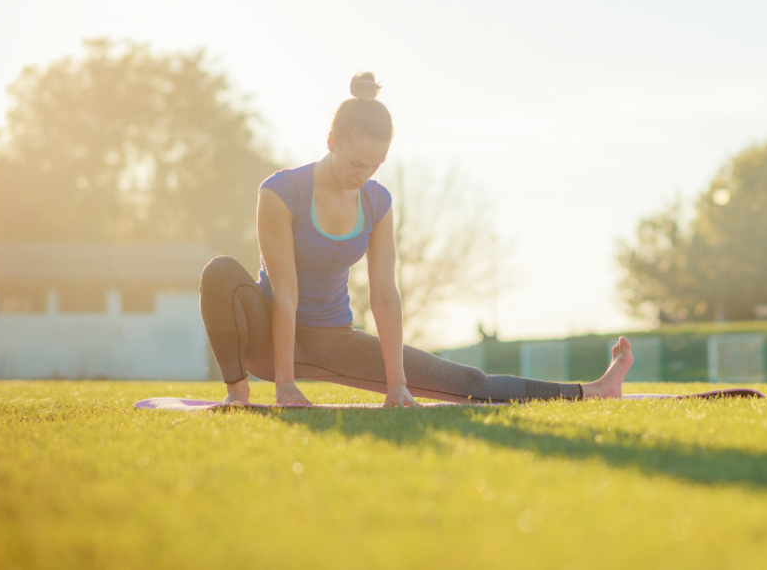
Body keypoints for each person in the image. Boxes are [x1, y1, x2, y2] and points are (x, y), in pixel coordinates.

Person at [199, 72, 634, 407]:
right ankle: (237, 393)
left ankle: (594, 389)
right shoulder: (281, 192)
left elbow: (386, 296)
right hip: (269, 335)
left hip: (335, 339)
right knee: (220, 272)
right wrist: (285, 383)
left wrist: (398, 384)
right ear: (330, 140)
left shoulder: (377, 202)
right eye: (355, 163)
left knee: (468, 383)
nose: (363, 176)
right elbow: (287, 293)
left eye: (375, 166)